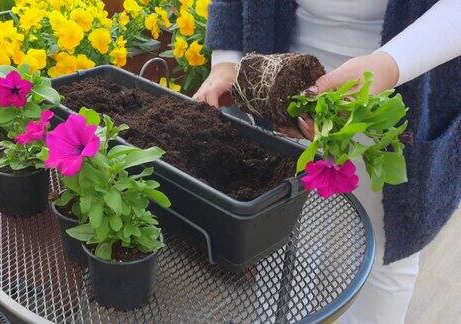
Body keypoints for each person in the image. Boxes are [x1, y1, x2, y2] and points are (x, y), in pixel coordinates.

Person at [195, 1, 461, 323]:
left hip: (406, 75)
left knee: (387, 252)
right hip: (287, 80)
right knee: (281, 237)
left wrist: (391, 64)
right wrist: (226, 59)